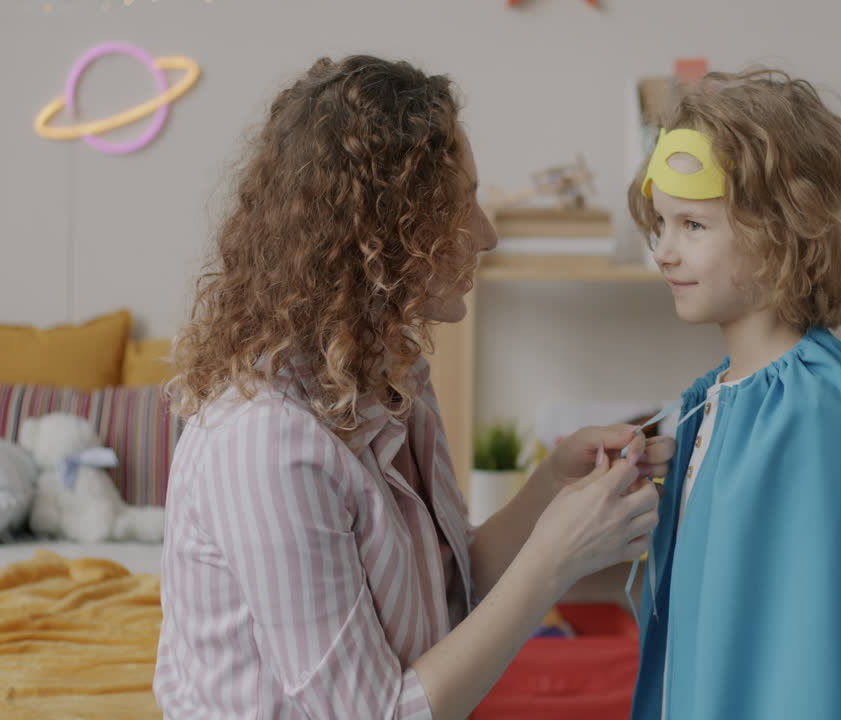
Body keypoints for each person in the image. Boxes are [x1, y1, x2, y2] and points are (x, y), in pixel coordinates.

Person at [153, 55, 672, 720]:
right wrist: (554, 560)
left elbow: (445, 586)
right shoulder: (266, 442)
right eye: (458, 209)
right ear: (374, 237)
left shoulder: (393, 375)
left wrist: (550, 489)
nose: (485, 236)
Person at [625, 67, 841, 719]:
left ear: (776, 231)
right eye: (662, 225)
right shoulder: (721, 399)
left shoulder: (808, 406)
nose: (665, 253)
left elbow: (811, 652)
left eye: (693, 227)